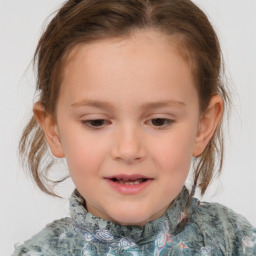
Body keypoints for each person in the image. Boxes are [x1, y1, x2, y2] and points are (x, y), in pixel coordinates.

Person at [13, 0, 256, 255]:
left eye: (159, 121)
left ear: (203, 126)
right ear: (53, 129)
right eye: (96, 121)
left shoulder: (236, 241)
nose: (128, 150)